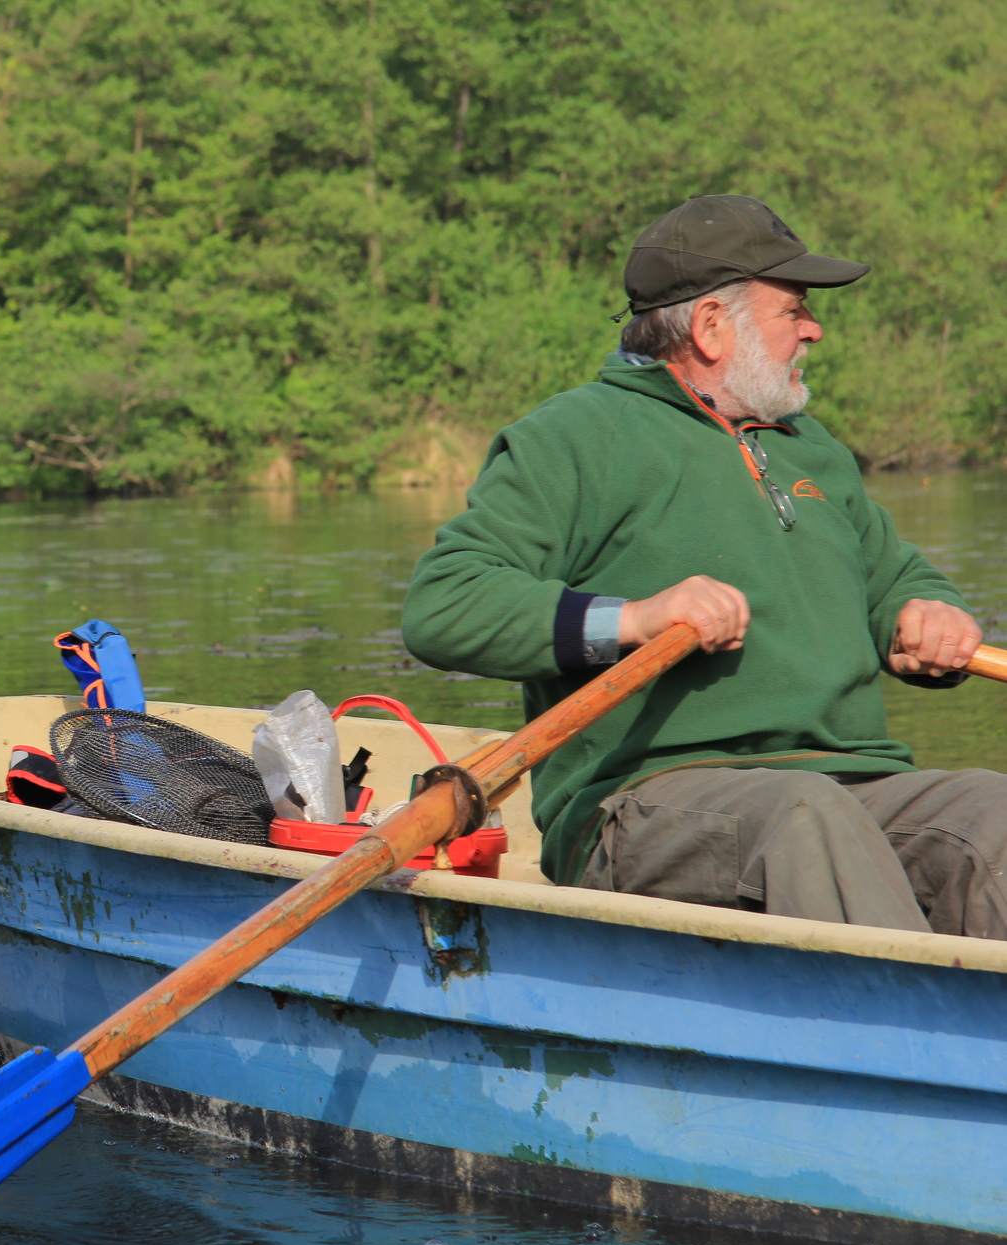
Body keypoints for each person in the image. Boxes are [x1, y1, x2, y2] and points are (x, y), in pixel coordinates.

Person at [400, 194, 1007, 938]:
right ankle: (901, 1014)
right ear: (713, 325)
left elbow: (892, 578)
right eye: (794, 309)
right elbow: (444, 605)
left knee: (992, 813)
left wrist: (927, 611)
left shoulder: (811, 446)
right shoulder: (575, 437)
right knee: (806, 817)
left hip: (851, 781)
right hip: (643, 800)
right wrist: (635, 618)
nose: (813, 328)